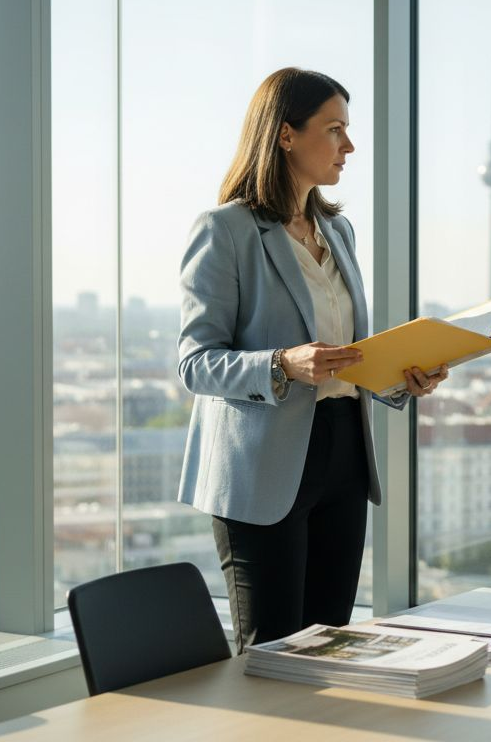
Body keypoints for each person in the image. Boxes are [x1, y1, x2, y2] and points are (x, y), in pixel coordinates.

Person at [177, 67, 447, 651]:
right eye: (334, 130)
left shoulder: (339, 231)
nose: (349, 146)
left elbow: (345, 358)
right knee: (273, 652)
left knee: (331, 643)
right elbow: (196, 363)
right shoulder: (226, 231)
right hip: (264, 466)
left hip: (343, 455)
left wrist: (403, 379)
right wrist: (282, 364)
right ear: (285, 136)